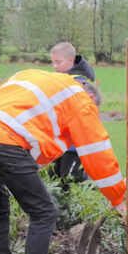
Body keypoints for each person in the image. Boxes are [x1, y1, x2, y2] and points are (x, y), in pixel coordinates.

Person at [0, 69, 126, 254]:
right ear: (91, 98)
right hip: (5, 138)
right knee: (44, 212)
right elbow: (97, 154)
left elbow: (27, 124)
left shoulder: (34, 77)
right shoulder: (80, 101)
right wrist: (118, 199)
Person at [49, 42, 97, 186]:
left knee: (67, 177)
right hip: (60, 142)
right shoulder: (62, 81)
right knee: (53, 176)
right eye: (53, 63)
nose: (55, 66)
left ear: (71, 60)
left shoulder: (79, 84)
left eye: (58, 62)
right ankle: (61, 207)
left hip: (76, 143)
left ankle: (95, 184)